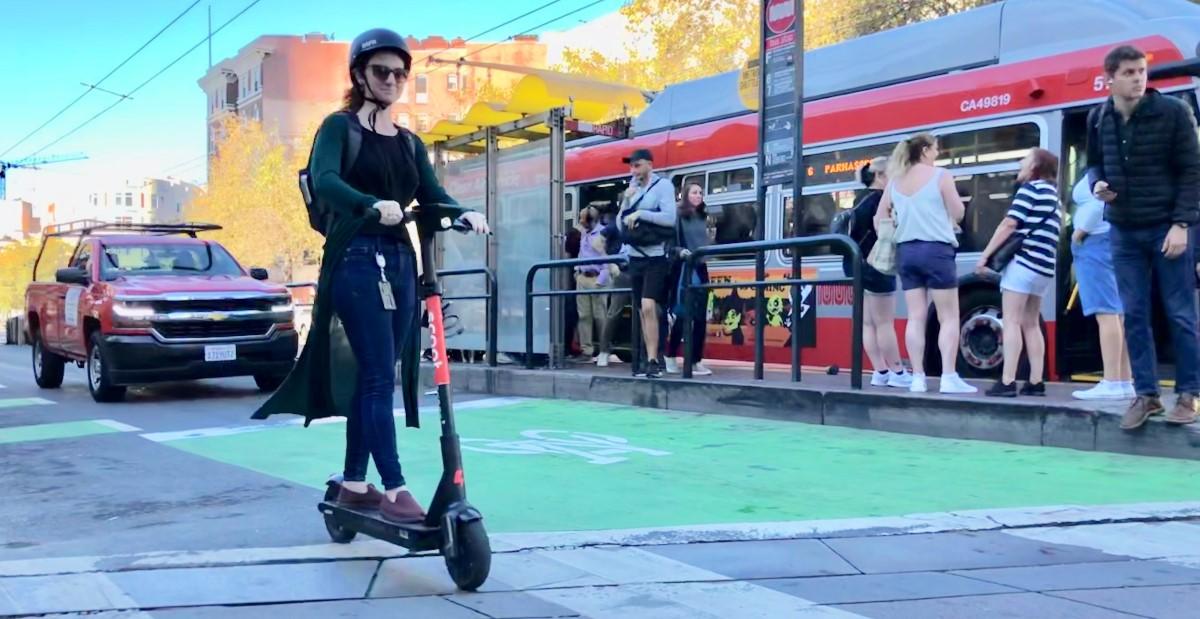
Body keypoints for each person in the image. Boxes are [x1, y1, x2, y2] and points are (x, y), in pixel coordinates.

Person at [251, 28, 488, 523]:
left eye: (400, 73)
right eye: (382, 71)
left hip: (401, 260)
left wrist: (459, 212)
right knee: (378, 373)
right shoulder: (339, 128)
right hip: (356, 257)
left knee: (376, 375)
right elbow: (326, 180)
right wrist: (367, 205)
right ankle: (396, 488)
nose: (393, 81)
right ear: (360, 74)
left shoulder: (408, 142)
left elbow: (431, 193)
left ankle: (355, 482)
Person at [1088, 44, 1200, 429]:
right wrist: (1097, 186)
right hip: (1123, 229)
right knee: (1133, 314)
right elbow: (1093, 165)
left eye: (1141, 71)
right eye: (1130, 72)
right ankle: (1147, 395)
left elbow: (1191, 172)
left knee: (1180, 312)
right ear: (1110, 79)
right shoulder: (1099, 118)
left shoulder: (1173, 113)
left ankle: (1189, 395)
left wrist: (1182, 225)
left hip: (1167, 226)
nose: (1138, 78)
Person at [875, 134, 976, 394]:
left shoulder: (895, 181)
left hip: (906, 252)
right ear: (925, 150)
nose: (937, 154)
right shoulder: (940, 176)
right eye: (935, 149)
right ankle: (949, 377)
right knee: (949, 317)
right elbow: (959, 212)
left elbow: (880, 217)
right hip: (936, 251)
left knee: (915, 317)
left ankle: (917, 377)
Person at [977, 148, 1062, 397]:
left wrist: (986, 255)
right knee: (1031, 323)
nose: (1021, 164)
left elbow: (1010, 223)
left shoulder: (1031, 190)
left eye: (1025, 161)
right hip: (1044, 267)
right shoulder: (1054, 196)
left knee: (1012, 321)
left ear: (1036, 166)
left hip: (1024, 264)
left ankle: (1007, 381)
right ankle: (1036, 381)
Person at [1069, 172, 1134, 400]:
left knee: (1106, 312)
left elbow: (1100, 201)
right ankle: (1124, 380)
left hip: (1094, 242)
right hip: (1109, 239)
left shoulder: (1103, 167)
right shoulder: (1117, 161)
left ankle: (1112, 381)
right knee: (1118, 313)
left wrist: (1079, 232)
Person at [847, 157, 910, 388]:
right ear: (881, 176)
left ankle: (880, 371)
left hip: (856, 265)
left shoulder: (858, 200)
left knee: (868, 324)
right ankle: (898, 372)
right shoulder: (881, 201)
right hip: (878, 265)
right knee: (884, 323)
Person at [617, 149, 678, 378]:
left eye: (638, 165)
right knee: (643, 310)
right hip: (635, 256)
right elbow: (620, 222)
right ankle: (648, 358)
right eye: (631, 166)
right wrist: (626, 202)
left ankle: (653, 359)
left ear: (649, 165)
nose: (634, 170)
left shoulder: (664, 186)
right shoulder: (631, 189)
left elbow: (669, 218)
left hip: (656, 256)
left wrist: (641, 213)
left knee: (649, 305)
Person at [664, 182, 713, 376]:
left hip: (701, 267)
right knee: (684, 313)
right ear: (685, 195)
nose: (698, 195)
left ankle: (696, 360)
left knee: (700, 316)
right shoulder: (677, 215)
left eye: (700, 192)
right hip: (684, 267)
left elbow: (707, 241)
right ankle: (670, 355)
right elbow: (669, 244)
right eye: (694, 192)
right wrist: (679, 251)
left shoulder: (703, 216)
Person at [573, 206, 610, 363]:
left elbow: (608, 260)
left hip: (598, 278)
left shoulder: (603, 234)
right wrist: (577, 272)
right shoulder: (584, 233)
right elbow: (582, 253)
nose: (580, 221)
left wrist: (600, 281)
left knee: (600, 316)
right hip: (583, 277)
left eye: (582, 218)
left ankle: (604, 350)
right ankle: (586, 351)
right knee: (584, 316)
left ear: (591, 220)